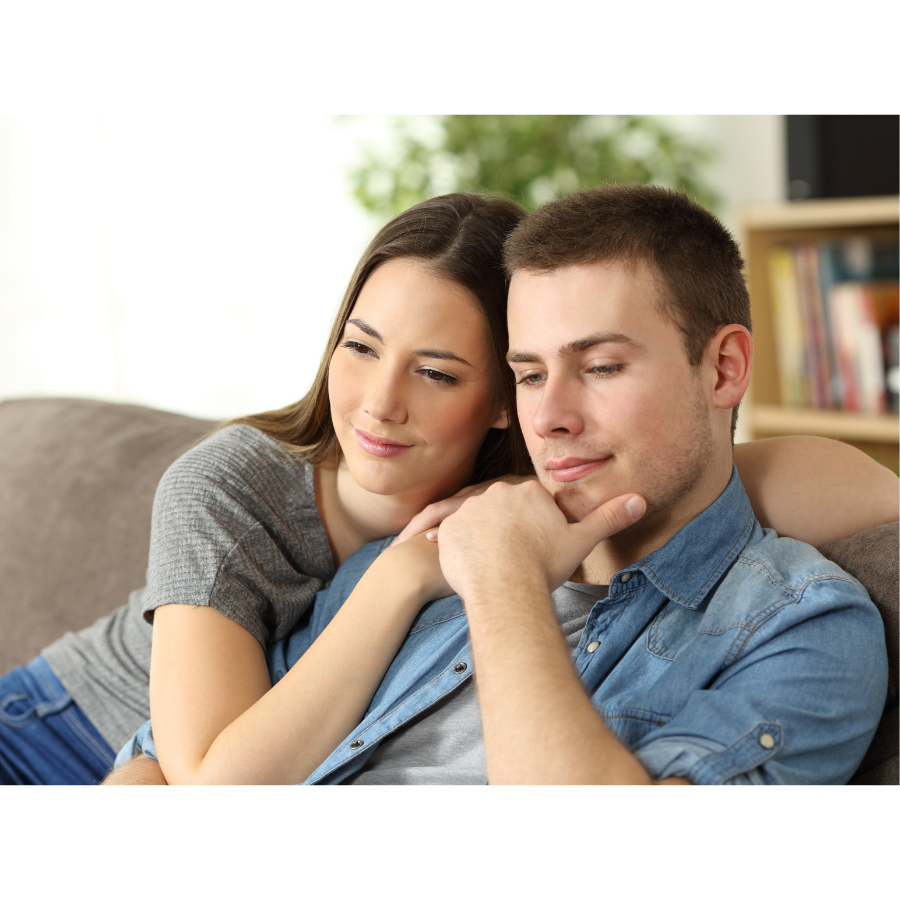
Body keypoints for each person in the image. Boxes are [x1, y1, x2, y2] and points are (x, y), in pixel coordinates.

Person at [108, 186, 899, 786]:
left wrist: (504, 581)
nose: (548, 417)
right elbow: (171, 756)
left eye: (600, 367)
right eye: (528, 374)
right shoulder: (418, 552)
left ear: (723, 368)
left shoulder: (804, 632)